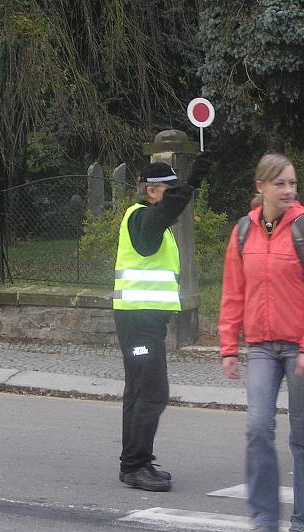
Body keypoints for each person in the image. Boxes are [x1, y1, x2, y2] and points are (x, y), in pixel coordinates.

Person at [219, 153, 304, 532]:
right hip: (262, 346)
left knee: (301, 435)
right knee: (257, 427)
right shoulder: (243, 233)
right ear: (261, 187)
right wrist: (228, 345)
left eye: (293, 183)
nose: (288, 191)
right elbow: (234, 291)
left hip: (300, 345)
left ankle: (303, 520)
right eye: (280, 184)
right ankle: (264, 520)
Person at [114, 152, 211, 492]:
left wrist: (184, 189)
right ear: (152, 191)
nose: (174, 197)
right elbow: (165, 214)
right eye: (169, 190)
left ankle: (136, 461)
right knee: (153, 392)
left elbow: (168, 214)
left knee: (139, 391)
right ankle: (135, 465)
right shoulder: (141, 219)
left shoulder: (152, 222)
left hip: (144, 320)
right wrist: (191, 185)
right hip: (137, 321)